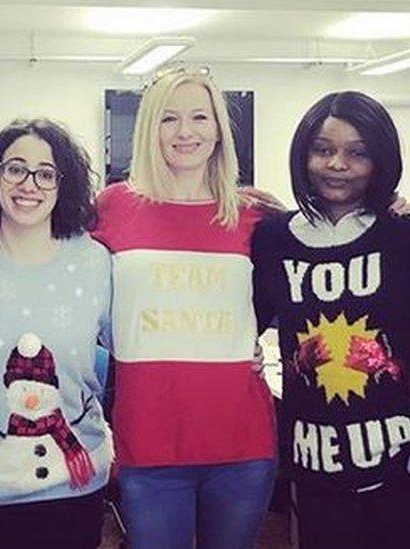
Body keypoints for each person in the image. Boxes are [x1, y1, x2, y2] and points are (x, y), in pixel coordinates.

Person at [92, 68, 276, 549]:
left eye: (200, 117)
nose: (185, 132)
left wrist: (394, 208)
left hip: (242, 441)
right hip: (149, 439)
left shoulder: (253, 214)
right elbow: (35, 233)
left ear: (219, 128)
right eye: (169, 119)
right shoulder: (112, 206)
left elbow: (329, 245)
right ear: (149, 129)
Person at [252, 91, 410, 549]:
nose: (338, 164)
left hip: (406, 461)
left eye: (358, 153)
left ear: (381, 161)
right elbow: (242, 319)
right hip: (317, 464)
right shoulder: (273, 238)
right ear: (303, 154)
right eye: (323, 149)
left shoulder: (409, 232)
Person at [0, 118, 112, 548]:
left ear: (62, 184)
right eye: (15, 168)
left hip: (73, 485)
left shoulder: (96, 263)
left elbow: (135, 346)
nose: (29, 184)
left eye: (46, 173)